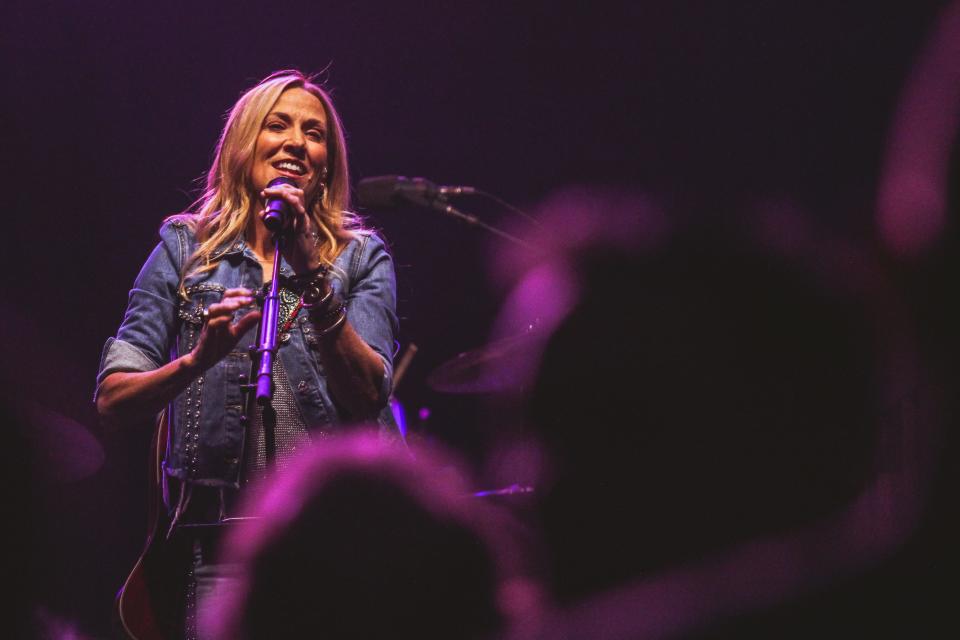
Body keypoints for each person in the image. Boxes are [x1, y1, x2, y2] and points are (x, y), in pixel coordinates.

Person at [95, 70, 399, 638]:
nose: (294, 142)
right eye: (276, 125)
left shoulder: (361, 258)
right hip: (219, 549)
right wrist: (195, 362)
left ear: (327, 162)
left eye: (314, 133)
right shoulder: (184, 248)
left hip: (334, 548)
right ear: (243, 147)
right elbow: (114, 398)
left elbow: (365, 391)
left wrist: (311, 267)